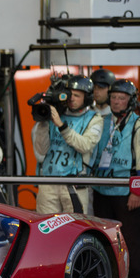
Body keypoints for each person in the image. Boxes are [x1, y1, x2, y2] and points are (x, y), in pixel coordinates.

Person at [91, 79, 140, 278]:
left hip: (126, 189)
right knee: (105, 238)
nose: (117, 102)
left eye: (122, 98)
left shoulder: (138, 125)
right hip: (101, 187)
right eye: (114, 97)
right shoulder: (101, 121)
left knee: (132, 237)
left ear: (130, 101)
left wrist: (137, 192)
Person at [33, 75, 103, 214]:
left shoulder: (95, 119)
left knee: (75, 229)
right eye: (70, 94)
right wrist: (43, 123)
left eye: (77, 95)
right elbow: (41, 150)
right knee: (45, 229)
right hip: (48, 182)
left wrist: (61, 125)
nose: (71, 98)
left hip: (75, 184)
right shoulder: (56, 113)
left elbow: (85, 145)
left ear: (87, 98)